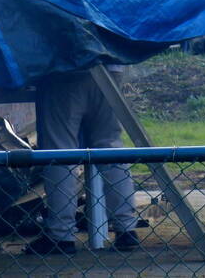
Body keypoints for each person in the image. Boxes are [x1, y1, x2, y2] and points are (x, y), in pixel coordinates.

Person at [24, 66, 140, 255]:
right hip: (110, 67)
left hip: (65, 68)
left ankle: (61, 234)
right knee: (110, 145)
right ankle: (126, 228)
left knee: (60, 152)